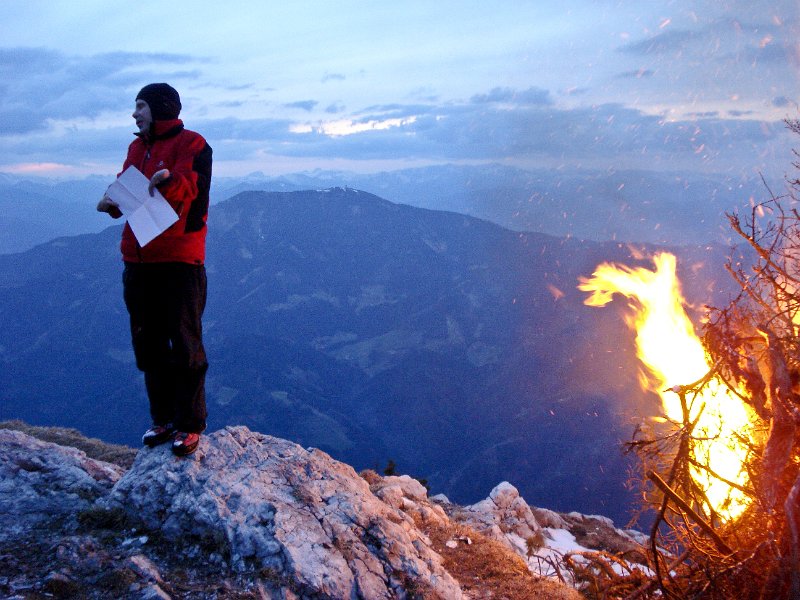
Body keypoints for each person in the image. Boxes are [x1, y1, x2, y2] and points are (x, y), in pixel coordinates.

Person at [97, 83, 212, 456]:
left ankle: (190, 424)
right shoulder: (137, 147)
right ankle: (162, 419)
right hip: (138, 259)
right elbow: (129, 189)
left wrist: (169, 180)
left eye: (141, 106)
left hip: (179, 261)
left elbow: (191, 190)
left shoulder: (193, 144)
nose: (135, 114)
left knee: (184, 343)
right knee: (148, 344)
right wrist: (113, 202)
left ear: (160, 108)